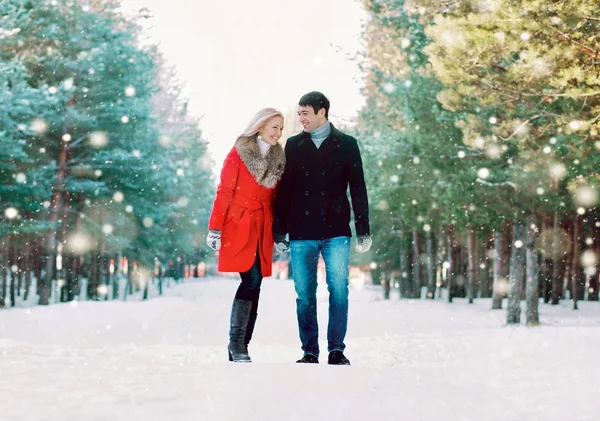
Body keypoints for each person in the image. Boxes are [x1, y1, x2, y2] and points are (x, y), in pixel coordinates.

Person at [273, 91, 371, 365]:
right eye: (299, 113)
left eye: (305, 113)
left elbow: (358, 188)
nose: (300, 118)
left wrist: (363, 228)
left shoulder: (347, 144)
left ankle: (336, 350)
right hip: (301, 230)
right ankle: (309, 351)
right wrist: (279, 229)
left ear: (322, 112)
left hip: (336, 228)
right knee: (304, 294)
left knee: (339, 289)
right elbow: (285, 190)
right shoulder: (293, 145)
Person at [206, 108, 286, 363]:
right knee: (250, 280)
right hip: (238, 222)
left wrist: (280, 231)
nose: (279, 132)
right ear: (260, 126)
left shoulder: (279, 158)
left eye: (281, 128)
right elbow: (225, 191)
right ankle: (237, 344)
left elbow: (276, 199)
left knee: (256, 284)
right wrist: (215, 227)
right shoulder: (239, 152)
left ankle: (241, 345)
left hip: (263, 224)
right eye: (274, 126)